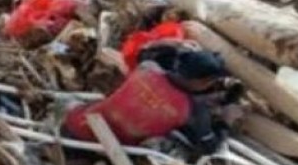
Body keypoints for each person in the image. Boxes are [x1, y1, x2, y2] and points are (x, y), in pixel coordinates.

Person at [62, 41, 242, 158]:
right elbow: (209, 147)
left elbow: (145, 53)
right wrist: (226, 121)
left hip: (74, 125)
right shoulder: (191, 111)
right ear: (206, 81)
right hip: (100, 153)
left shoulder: (148, 69)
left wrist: (175, 44)